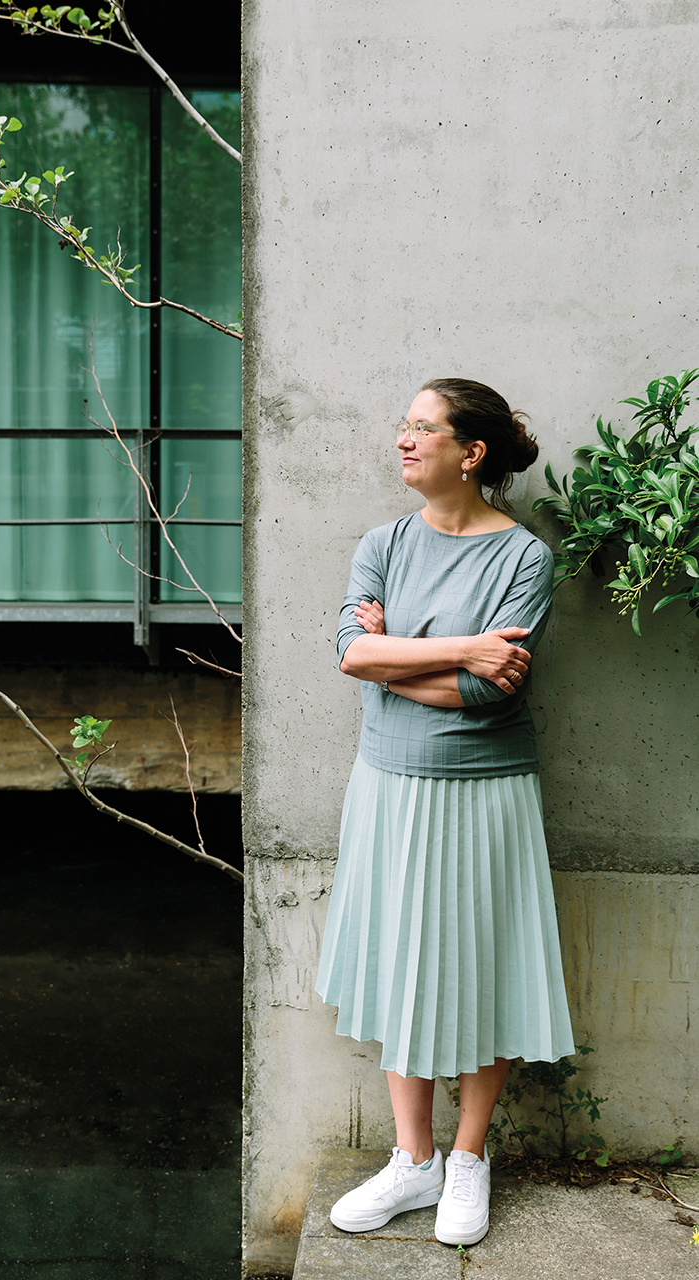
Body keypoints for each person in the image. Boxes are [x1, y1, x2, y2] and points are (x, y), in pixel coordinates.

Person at [315, 378, 575, 1247]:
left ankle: (467, 1159)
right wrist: (461, 646)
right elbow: (351, 653)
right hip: (387, 785)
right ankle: (412, 1161)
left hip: (487, 790)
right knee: (399, 961)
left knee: (483, 962)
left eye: (421, 428)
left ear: (471, 453)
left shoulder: (524, 559)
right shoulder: (382, 542)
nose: (402, 439)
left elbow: (488, 697)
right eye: (403, 424)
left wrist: (399, 661)